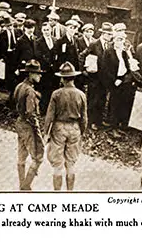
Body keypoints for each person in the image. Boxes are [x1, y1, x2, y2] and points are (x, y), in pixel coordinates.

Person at [44, 62, 87, 191]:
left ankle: (57, 193)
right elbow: (84, 118)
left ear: (62, 78)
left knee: (57, 165)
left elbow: (49, 117)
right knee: (71, 163)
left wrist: (46, 133)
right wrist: (81, 132)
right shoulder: (81, 95)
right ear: (73, 78)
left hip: (59, 128)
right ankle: (69, 193)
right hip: (74, 128)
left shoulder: (56, 94)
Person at [13, 60, 45, 190]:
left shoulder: (19, 86)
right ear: (31, 74)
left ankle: (22, 183)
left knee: (22, 156)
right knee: (38, 157)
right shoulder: (30, 91)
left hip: (19, 123)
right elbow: (31, 113)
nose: (40, 76)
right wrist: (37, 129)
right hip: (28, 125)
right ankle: (25, 187)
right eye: (37, 74)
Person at [80, 22, 114, 129]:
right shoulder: (94, 44)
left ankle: (98, 121)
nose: (110, 37)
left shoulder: (109, 45)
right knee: (93, 100)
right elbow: (82, 56)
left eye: (111, 35)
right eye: (108, 34)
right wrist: (83, 70)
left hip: (104, 79)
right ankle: (90, 122)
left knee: (102, 99)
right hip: (94, 79)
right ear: (103, 34)